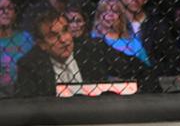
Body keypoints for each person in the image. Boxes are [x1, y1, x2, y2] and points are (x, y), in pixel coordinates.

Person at [15, 10, 147, 97]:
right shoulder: (30, 65)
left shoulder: (93, 48)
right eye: (53, 35)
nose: (63, 40)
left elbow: (139, 69)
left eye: (65, 30)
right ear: (42, 44)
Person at [0, 0, 34, 96]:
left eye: (10, 8)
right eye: (1, 9)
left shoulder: (26, 38)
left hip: (25, 91)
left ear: (15, 13)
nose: (6, 11)